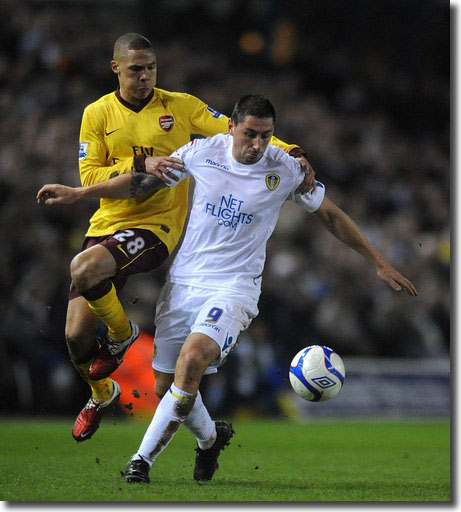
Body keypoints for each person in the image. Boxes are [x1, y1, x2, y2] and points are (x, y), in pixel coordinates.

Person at [37, 94, 417, 484]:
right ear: (231, 127)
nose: (257, 145)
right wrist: (79, 193)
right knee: (166, 385)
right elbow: (141, 184)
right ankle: (211, 439)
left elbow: (331, 215)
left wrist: (378, 260)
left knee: (192, 361)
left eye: (266, 136)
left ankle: (141, 462)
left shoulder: (286, 169)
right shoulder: (200, 152)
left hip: (235, 288)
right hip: (184, 284)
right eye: (250, 134)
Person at [61, 33, 315, 443]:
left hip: (156, 224)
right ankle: (102, 393)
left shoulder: (181, 107)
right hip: (108, 223)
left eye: (151, 68)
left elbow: (240, 131)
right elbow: (90, 176)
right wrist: (142, 160)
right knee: (75, 337)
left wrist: (295, 151)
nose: (144, 76)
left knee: (86, 268)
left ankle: (123, 336)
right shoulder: (97, 114)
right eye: (135, 69)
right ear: (116, 69)